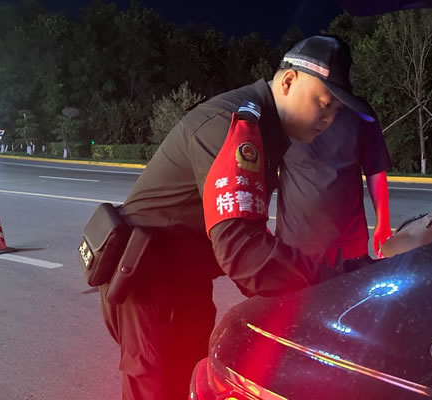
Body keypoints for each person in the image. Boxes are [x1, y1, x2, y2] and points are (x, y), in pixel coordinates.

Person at [97, 35, 378, 399]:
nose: (329, 118)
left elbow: (249, 245)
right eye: (324, 104)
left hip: (183, 282)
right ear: (288, 81)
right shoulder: (236, 126)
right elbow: (244, 252)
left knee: (188, 382)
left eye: (336, 111)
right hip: (149, 287)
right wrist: (328, 281)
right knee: (159, 389)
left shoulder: (266, 131)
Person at [276, 104, 392, 266]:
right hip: (295, 241)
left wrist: (383, 221)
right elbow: (265, 169)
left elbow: (375, 169)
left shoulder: (360, 112)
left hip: (349, 242)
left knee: (351, 281)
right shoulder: (285, 112)